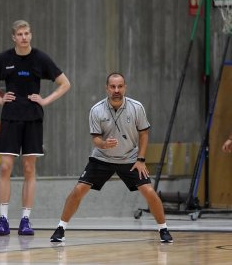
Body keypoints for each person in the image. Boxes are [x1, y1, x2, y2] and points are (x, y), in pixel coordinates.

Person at [50, 73, 173, 243]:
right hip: (102, 159)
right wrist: (103, 144)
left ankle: (163, 230)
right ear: (106, 88)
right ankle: (60, 228)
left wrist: (141, 159)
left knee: (149, 192)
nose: (117, 90)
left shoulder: (137, 107)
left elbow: (144, 134)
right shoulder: (96, 110)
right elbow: (95, 138)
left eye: (120, 86)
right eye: (113, 87)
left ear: (125, 87)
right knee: (78, 191)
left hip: (130, 159)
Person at [0, 20, 71, 236]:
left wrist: (45, 100)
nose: (24, 37)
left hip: (33, 119)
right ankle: (2, 220)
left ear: (31, 35)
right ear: (14, 37)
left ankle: (25, 220)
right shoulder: (5, 59)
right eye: (20, 34)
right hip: (10, 117)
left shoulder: (40, 58)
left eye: (27, 33)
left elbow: (65, 83)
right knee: (5, 167)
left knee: (29, 169)